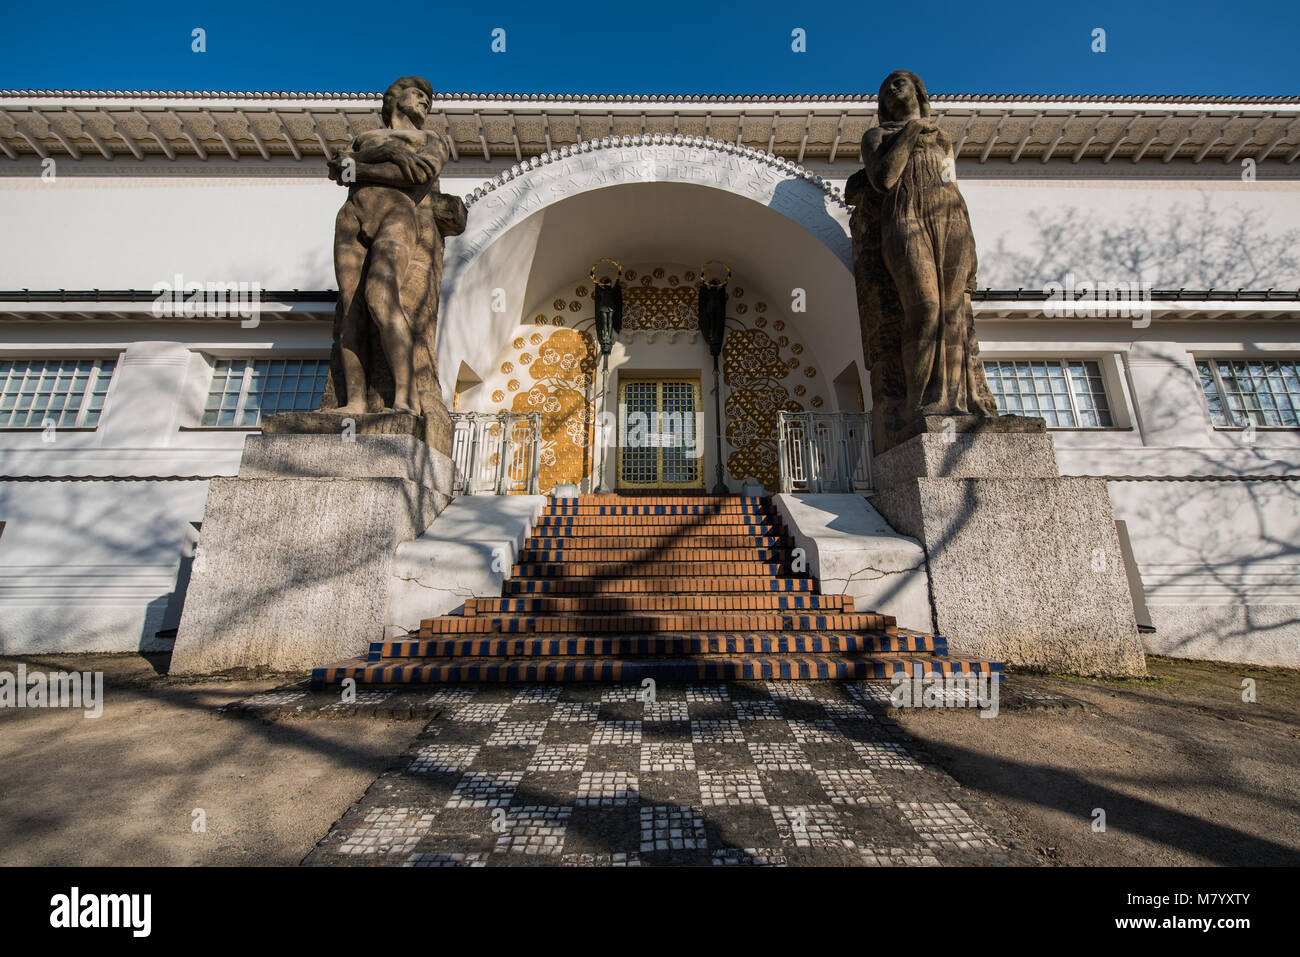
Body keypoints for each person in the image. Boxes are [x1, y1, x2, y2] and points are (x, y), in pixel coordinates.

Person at [859, 70, 999, 419]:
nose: (892, 89)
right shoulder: (877, 135)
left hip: (948, 216)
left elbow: (952, 186)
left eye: (899, 83)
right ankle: (922, 402)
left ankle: (961, 402)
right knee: (924, 308)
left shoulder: (943, 138)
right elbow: (884, 178)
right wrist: (910, 132)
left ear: (918, 92)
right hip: (905, 214)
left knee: (955, 314)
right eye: (885, 88)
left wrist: (972, 250)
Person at [326, 75, 466, 415]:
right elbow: (337, 170)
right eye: (417, 95)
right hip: (352, 215)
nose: (424, 102)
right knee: (350, 309)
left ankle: (405, 396)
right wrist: (390, 155)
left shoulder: (430, 139)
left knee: (380, 297)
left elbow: (416, 176)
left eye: (428, 100)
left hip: (395, 213)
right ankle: (355, 401)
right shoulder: (366, 137)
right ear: (394, 97)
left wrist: (363, 165)